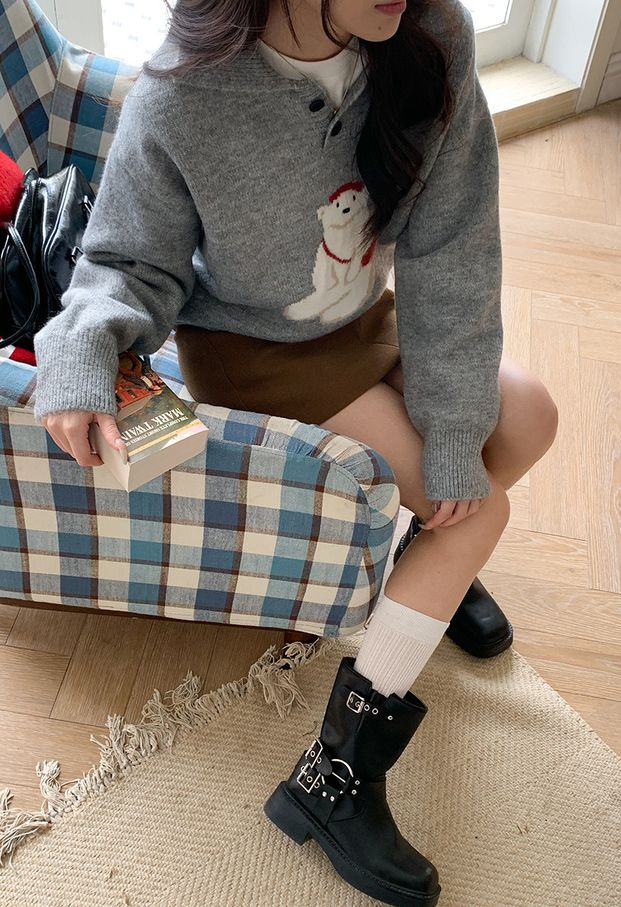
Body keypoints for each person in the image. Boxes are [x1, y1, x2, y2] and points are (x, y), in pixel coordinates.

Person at [32, 0, 558, 903]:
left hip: (361, 318)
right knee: (483, 514)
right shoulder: (186, 94)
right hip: (256, 354)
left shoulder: (431, 35)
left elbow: (455, 245)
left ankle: (419, 558)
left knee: (528, 419)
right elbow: (127, 260)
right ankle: (333, 779)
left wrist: (454, 429)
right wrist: (80, 353)